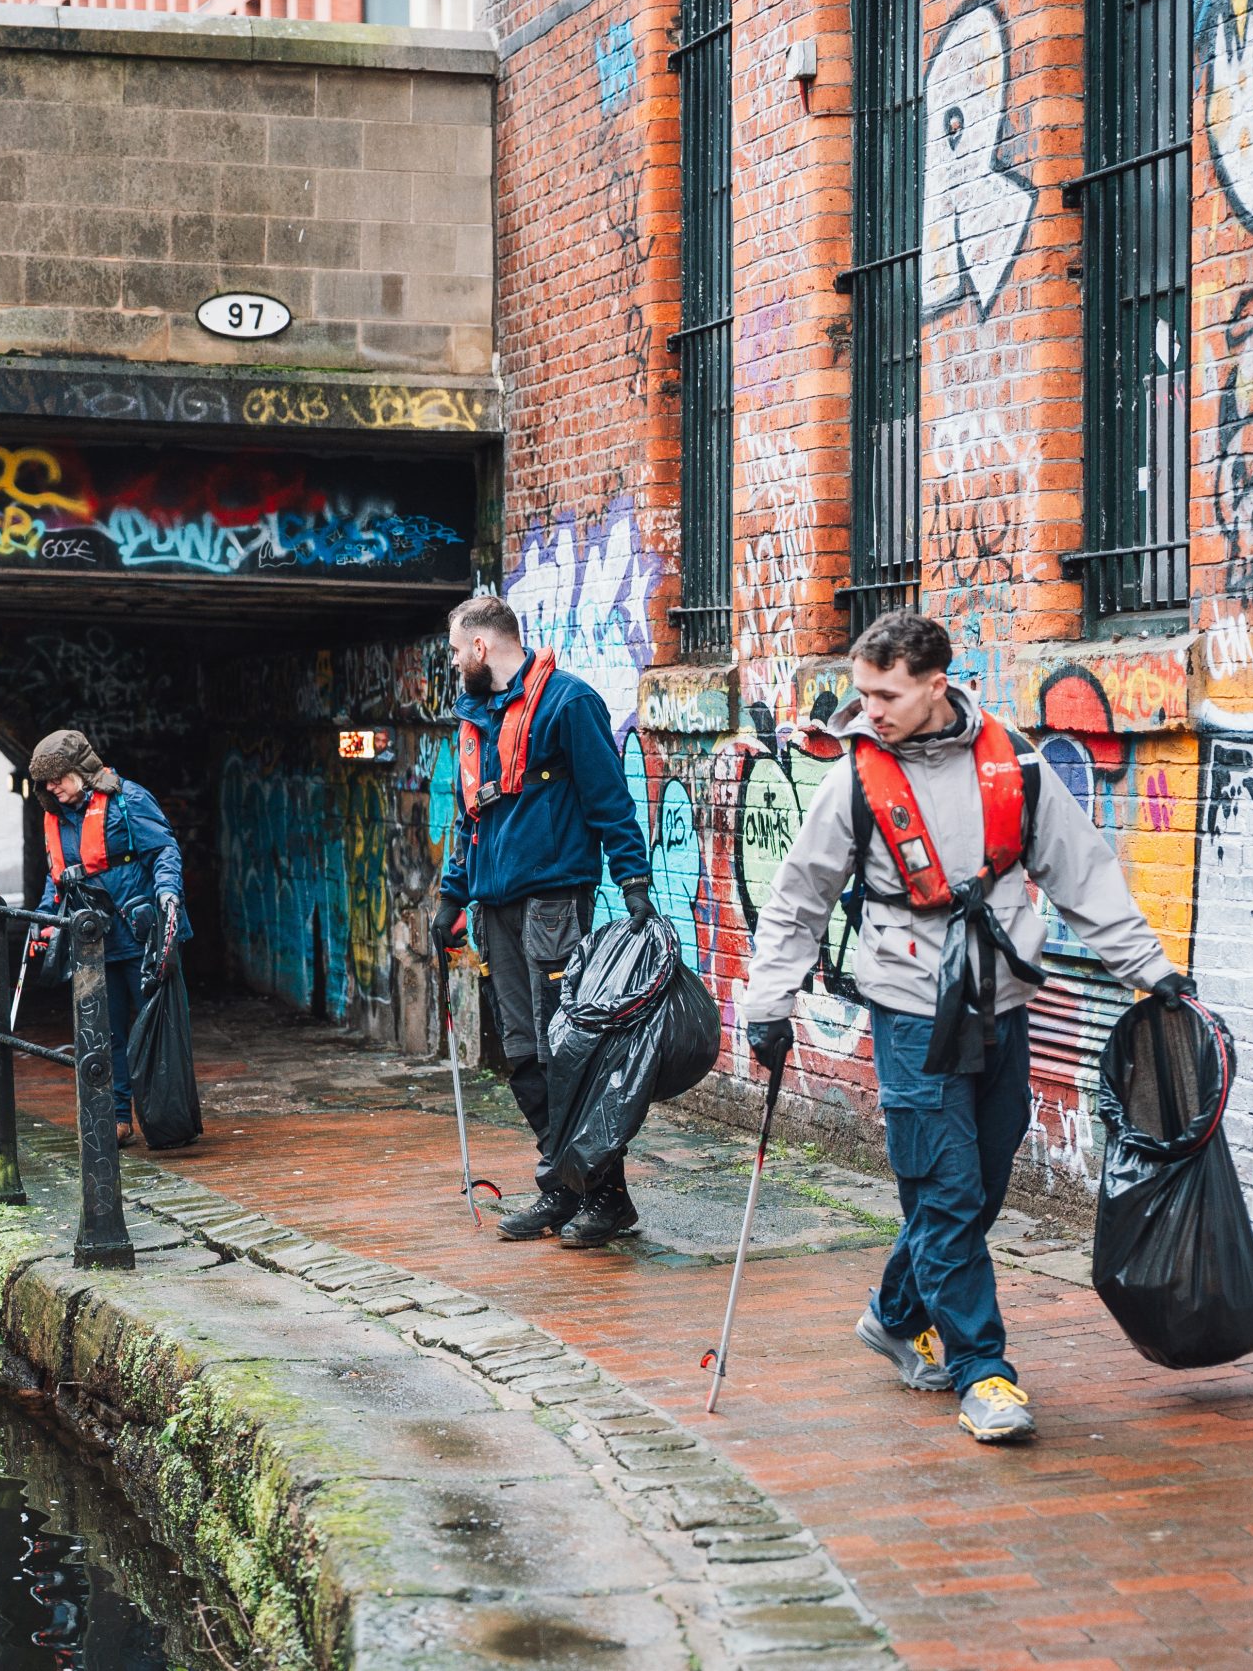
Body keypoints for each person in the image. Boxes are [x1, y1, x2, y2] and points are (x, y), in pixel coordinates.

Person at [739, 611, 1191, 1446]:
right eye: (864, 690)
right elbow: (797, 896)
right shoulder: (854, 780)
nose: (868, 708)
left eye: (886, 692)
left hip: (1000, 1001)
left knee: (978, 1182)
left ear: (936, 682)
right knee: (945, 1188)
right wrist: (768, 1005)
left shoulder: (1012, 762)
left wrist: (1150, 970)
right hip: (909, 1010)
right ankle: (983, 1368)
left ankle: (893, 1312)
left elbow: (1081, 869)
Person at [430, 595, 657, 1248]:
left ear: (481, 647)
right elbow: (470, 817)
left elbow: (609, 797)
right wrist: (452, 900)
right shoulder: (475, 718)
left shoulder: (567, 703)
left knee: (568, 1055)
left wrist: (633, 880)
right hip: (496, 904)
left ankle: (603, 1196)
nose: (451, 662)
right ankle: (566, 1186)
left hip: (554, 901)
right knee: (525, 1055)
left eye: (453, 649)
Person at [27, 729, 189, 1148]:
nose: (51, 787)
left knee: (157, 1028)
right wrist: (44, 923)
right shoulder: (56, 816)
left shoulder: (129, 800)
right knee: (106, 1031)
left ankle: (168, 1116)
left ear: (80, 771)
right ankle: (118, 1118)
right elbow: (58, 877)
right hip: (94, 942)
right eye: (45, 781)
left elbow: (164, 851)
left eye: (57, 777)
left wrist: (168, 893)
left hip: (141, 934)